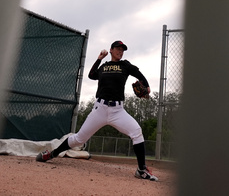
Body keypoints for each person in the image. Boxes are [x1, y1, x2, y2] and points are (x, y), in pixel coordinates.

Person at [36, 40, 158, 181]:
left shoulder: (125, 65)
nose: (120, 51)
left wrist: (147, 85)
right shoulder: (104, 67)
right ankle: (52, 154)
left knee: (136, 132)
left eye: (122, 49)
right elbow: (91, 75)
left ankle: (141, 170)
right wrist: (99, 59)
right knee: (79, 138)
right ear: (111, 50)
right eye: (118, 48)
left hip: (118, 111)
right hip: (99, 109)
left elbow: (138, 73)